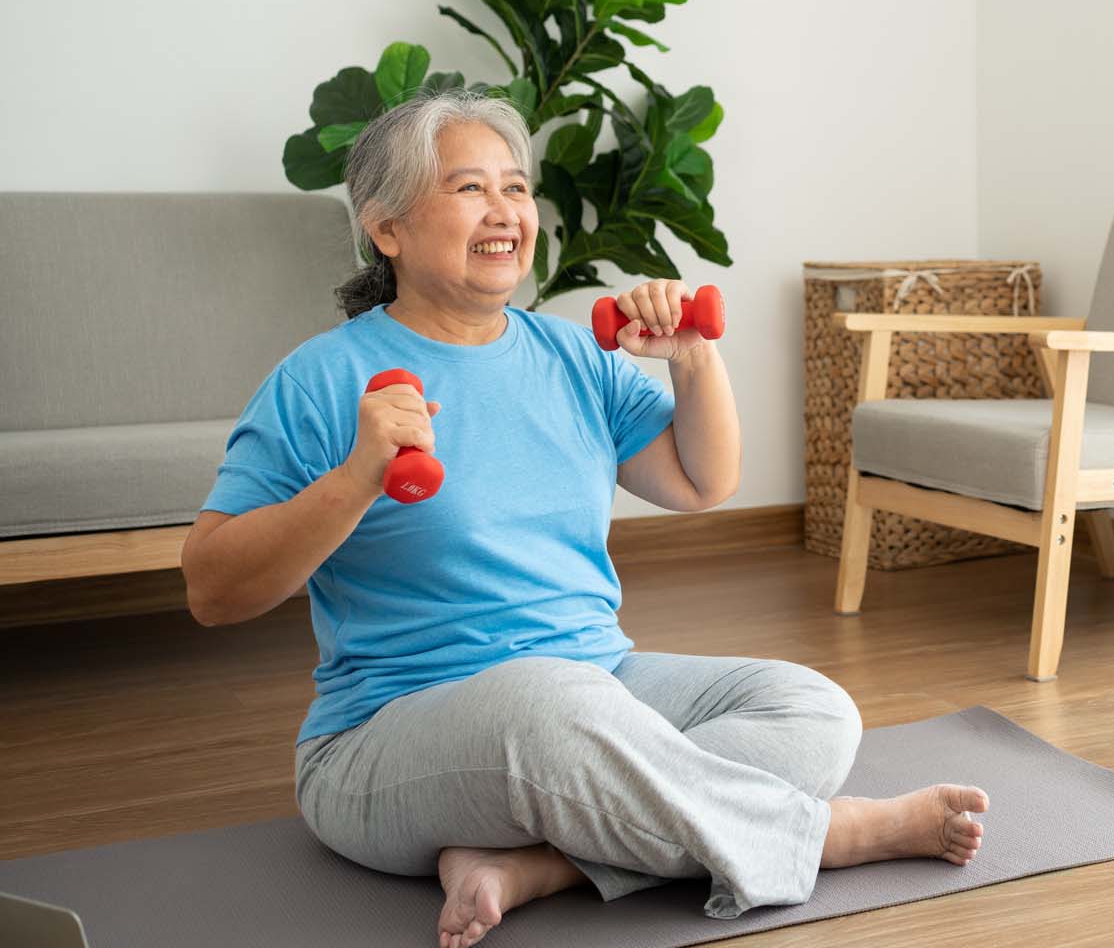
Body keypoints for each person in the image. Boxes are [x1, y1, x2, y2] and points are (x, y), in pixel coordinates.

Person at [179, 90, 988, 948]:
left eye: (517, 188)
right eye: (468, 188)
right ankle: (831, 833)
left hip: (595, 685)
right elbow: (212, 590)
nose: (506, 213)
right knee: (552, 704)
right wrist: (354, 478)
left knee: (811, 709)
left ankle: (539, 867)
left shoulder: (566, 353)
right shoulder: (320, 380)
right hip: (387, 738)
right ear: (387, 229)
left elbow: (700, 482)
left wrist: (693, 358)